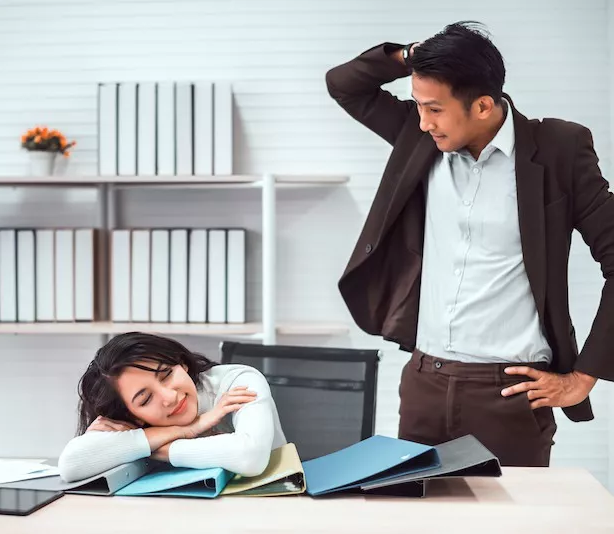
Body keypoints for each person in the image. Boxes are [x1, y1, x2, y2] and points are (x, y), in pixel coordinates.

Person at [326, 22, 614, 467]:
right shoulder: (420, 137)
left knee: (512, 510)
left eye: (434, 109)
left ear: (482, 106)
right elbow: (344, 84)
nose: (423, 121)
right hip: (424, 384)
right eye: (418, 106)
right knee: (416, 505)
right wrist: (414, 54)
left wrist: (583, 377)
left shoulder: (558, 149)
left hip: (509, 395)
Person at [57, 332, 287, 482]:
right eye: (146, 399)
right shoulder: (132, 423)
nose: (169, 397)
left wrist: (160, 449)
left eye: (166, 374)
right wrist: (185, 430)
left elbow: (250, 457)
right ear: (131, 416)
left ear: (182, 363)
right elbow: (71, 464)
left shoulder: (238, 380)